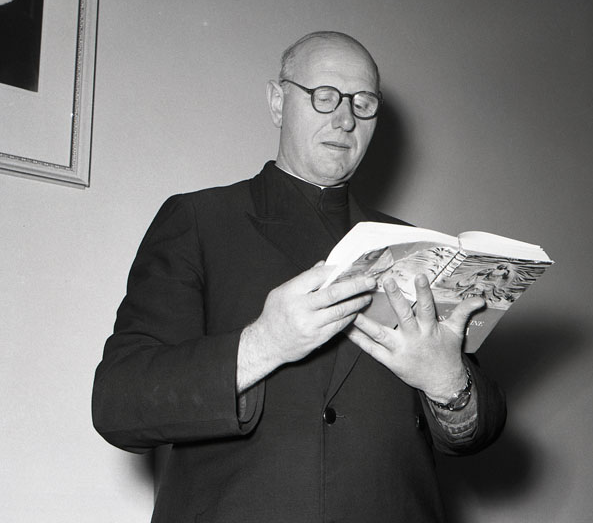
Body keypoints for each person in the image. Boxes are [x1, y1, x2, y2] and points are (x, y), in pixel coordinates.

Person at [92, 31, 506, 523]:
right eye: (324, 96)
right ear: (277, 102)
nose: (346, 119)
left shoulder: (416, 245)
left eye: (363, 102)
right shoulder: (199, 220)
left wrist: (447, 382)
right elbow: (118, 403)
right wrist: (263, 345)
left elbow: (482, 427)